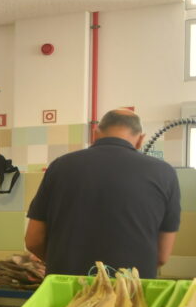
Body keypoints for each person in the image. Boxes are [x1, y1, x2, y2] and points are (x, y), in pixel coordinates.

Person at [26, 109, 180, 278]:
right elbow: (162, 255)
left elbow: (34, 240)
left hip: (67, 287)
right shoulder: (165, 173)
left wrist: (61, 263)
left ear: (95, 134)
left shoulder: (60, 166)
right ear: (140, 140)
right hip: (132, 290)